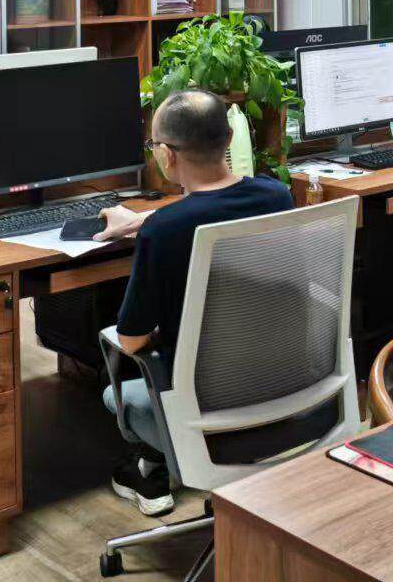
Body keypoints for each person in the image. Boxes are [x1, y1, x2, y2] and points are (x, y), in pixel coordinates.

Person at [97, 89, 293, 514]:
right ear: (229, 139)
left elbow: (131, 342)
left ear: (166, 155)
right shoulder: (277, 196)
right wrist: (143, 219)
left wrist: (150, 223)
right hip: (289, 392)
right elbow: (216, 207)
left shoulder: (166, 231)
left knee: (120, 376)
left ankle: (150, 463)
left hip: (207, 411)